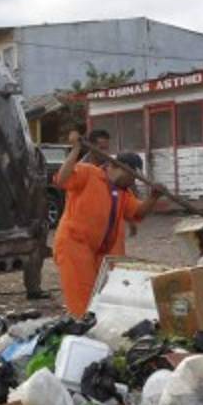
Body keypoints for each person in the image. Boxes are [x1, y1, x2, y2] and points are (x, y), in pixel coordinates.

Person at [53, 130, 163, 317]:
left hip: (101, 251)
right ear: (119, 168)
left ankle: (98, 328)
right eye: (132, 177)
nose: (133, 182)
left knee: (106, 295)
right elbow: (61, 180)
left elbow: (138, 212)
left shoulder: (123, 192)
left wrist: (153, 197)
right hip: (75, 245)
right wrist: (76, 150)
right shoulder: (88, 173)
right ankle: (83, 334)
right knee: (83, 300)